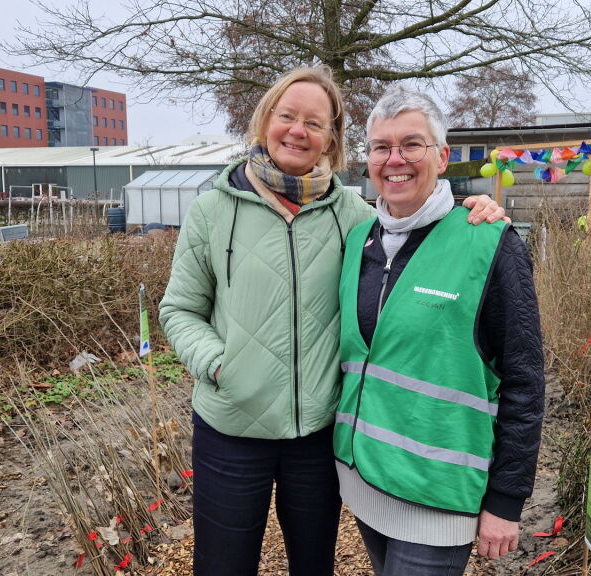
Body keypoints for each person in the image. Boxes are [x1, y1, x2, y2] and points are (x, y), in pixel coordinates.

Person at [159, 66, 505, 576]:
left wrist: (472, 210)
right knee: (221, 565)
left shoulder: (356, 216)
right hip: (230, 426)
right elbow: (180, 309)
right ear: (266, 121)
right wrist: (218, 365)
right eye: (287, 116)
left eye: (315, 123)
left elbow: (418, 226)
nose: (298, 131)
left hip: (318, 433)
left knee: (313, 563)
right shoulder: (212, 210)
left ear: (331, 139)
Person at [333, 86, 545, 576]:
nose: (395, 160)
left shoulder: (488, 243)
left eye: (412, 145)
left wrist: (507, 499)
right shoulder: (359, 242)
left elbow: (525, 380)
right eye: (381, 147)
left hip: (439, 497)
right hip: (365, 481)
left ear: (442, 157)